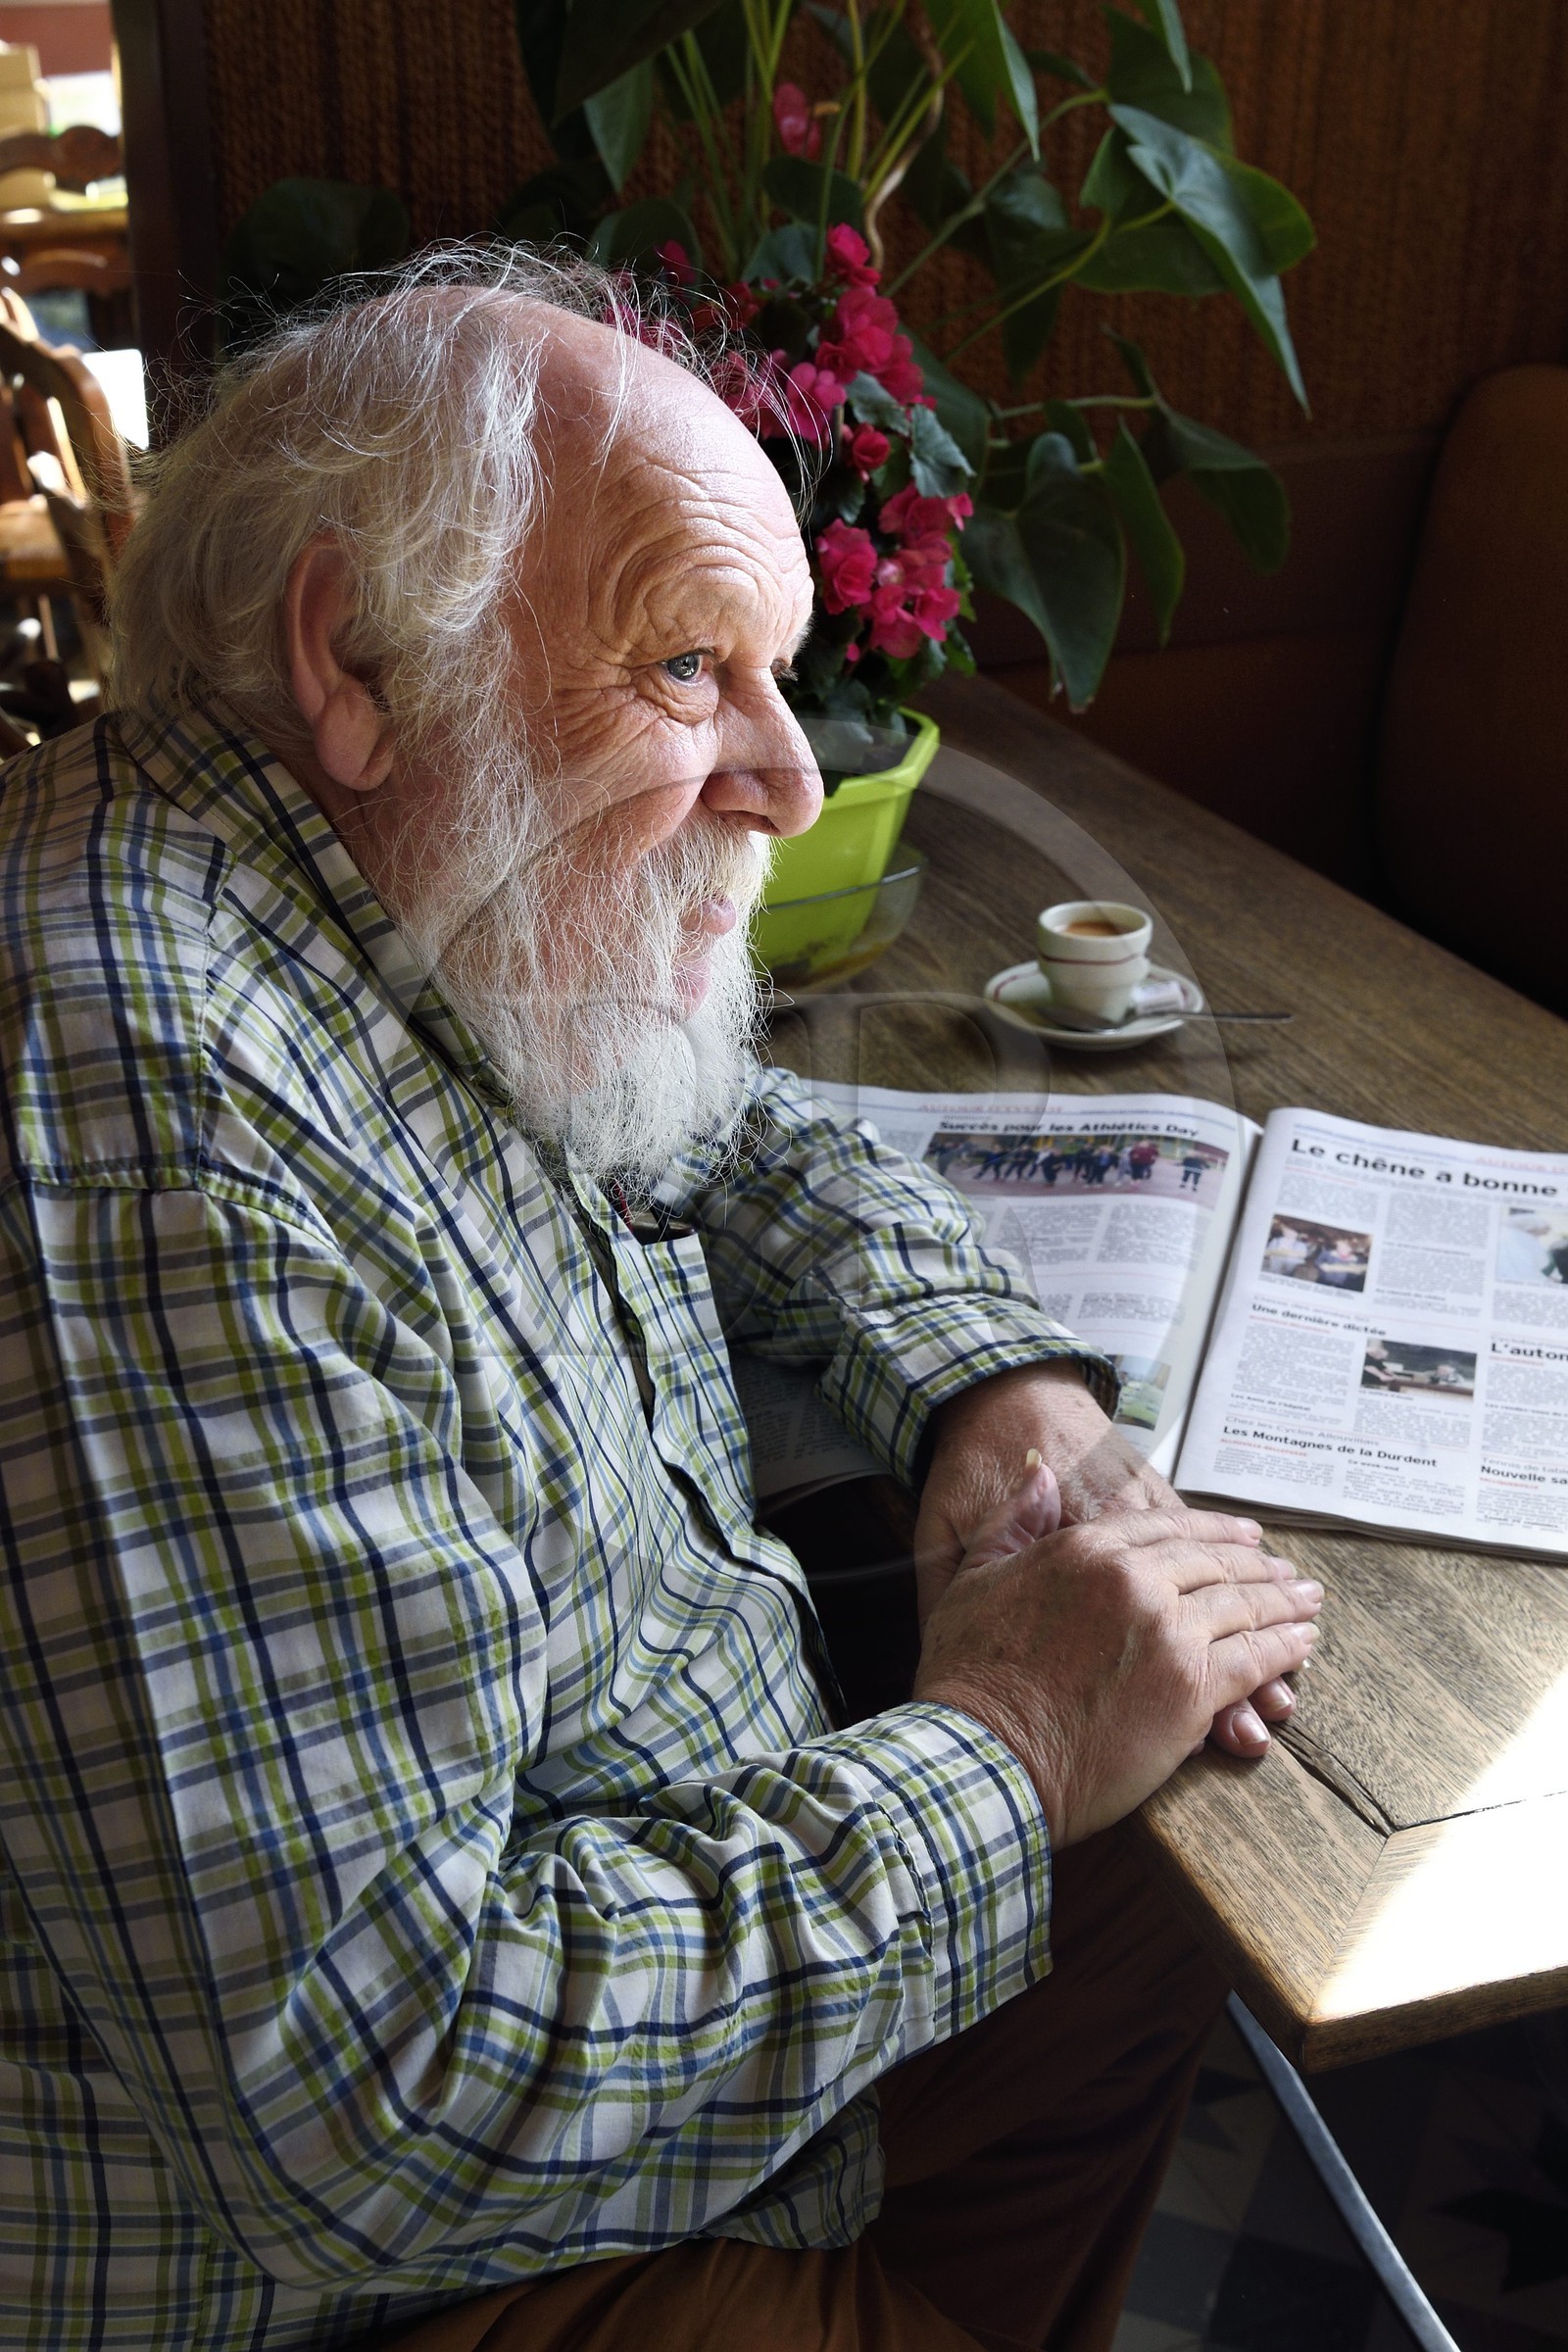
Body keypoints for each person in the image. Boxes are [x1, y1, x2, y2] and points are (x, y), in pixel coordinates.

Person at [0, 252, 1319, 2352]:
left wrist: (989, 1389)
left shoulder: (353, 873)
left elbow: (735, 1130)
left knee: (1167, 1861)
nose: (790, 779)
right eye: (691, 668)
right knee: (1154, 1823)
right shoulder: (150, 1126)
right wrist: (1011, 1740)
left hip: (631, 1923)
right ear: (354, 652)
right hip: (385, 2270)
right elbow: (378, 2104)